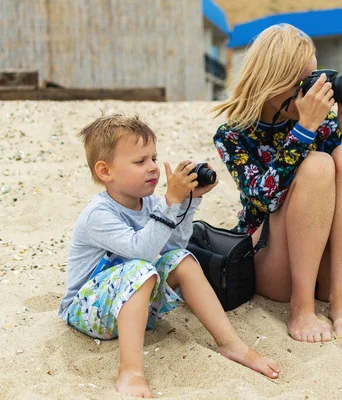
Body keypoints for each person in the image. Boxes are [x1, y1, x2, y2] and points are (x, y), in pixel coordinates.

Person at [58, 114, 279, 398]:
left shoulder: (150, 203)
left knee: (182, 259)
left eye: (154, 158)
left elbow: (174, 243)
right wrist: (170, 202)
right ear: (105, 171)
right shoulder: (98, 214)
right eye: (140, 162)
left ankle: (231, 344)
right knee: (140, 268)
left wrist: (188, 201)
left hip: (134, 304)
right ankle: (131, 371)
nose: (153, 168)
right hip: (89, 311)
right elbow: (142, 251)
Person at [212, 24, 342, 343]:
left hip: (337, 274)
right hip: (279, 268)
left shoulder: (325, 123)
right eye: (304, 82)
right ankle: (302, 308)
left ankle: (341, 303)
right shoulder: (234, 135)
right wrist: (302, 131)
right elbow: (265, 199)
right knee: (316, 165)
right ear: (273, 80)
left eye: (316, 79)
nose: (314, 90)